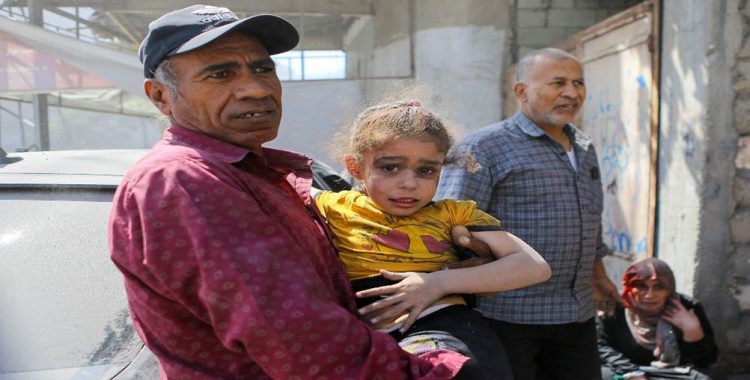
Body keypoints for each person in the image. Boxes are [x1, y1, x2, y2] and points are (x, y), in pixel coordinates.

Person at [108, 5, 472, 379]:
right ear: (161, 96)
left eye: (263, 68)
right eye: (220, 74)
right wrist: (436, 372)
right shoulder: (184, 178)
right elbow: (307, 346)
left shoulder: (257, 173)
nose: (256, 88)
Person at [315, 99, 553, 379]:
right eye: (390, 168)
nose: (409, 183)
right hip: (367, 335)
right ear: (354, 167)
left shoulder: (454, 213)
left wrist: (436, 283)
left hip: (447, 327)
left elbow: (535, 266)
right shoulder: (332, 206)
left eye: (426, 170)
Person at [435, 47, 623, 380]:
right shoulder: (483, 146)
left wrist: (599, 276)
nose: (571, 92)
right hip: (507, 317)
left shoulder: (584, 147)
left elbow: (591, 218)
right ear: (521, 91)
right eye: (558, 83)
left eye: (579, 83)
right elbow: (449, 226)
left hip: (577, 314)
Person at [597, 258, 718, 380]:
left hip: (669, 373)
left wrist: (693, 332)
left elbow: (706, 361)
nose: (650, 295)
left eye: (659, 287)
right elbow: (600, 347)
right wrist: (631, 371)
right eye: (641, 286)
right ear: (629, 287)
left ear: (669, 289)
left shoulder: (686, 307)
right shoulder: (614, 306)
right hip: (626, 370)